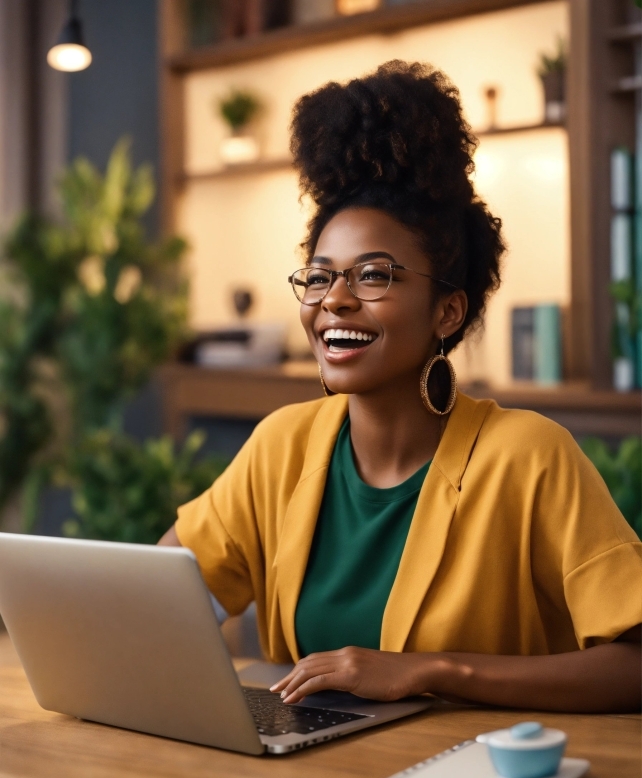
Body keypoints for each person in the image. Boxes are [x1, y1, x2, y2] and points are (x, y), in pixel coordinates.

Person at [160, 62, 641, 713]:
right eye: (320, 276)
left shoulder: (530, 457)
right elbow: (161, 595)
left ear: (447, 311)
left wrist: (431, 671)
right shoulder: (284, 447)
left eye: (374, 276)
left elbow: (633, 666)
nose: (335, 301)